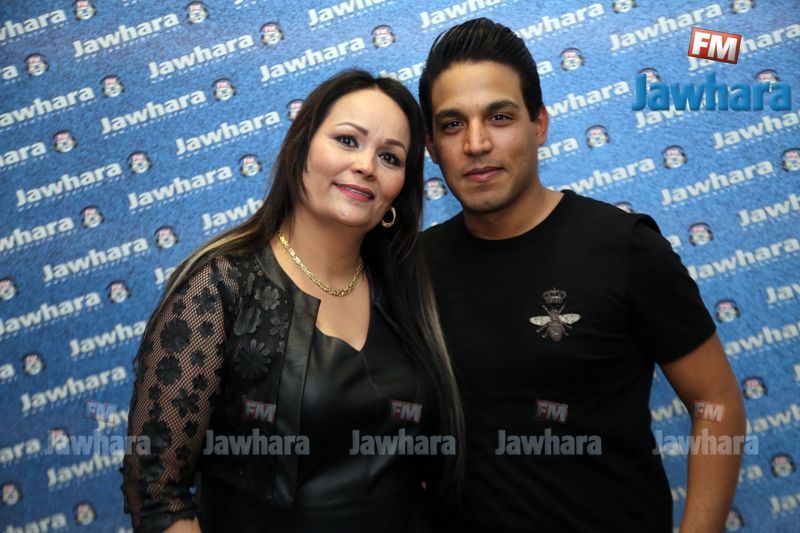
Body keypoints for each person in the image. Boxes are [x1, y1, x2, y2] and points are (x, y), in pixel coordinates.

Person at [418, 18, 746, 533]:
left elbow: (717, 403)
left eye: (499, 117)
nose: (476, 143)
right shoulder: (413, 268)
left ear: (539, 125)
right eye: (453, 124)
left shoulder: (625, 247)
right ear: (432, 146)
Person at [120, 70, 464, 533]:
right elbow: (156, 492)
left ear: (400, 189)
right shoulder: (221, 285)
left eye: (390, 156)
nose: (367, 165)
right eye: (347, 140)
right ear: (301, 149)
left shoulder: (407, 288)